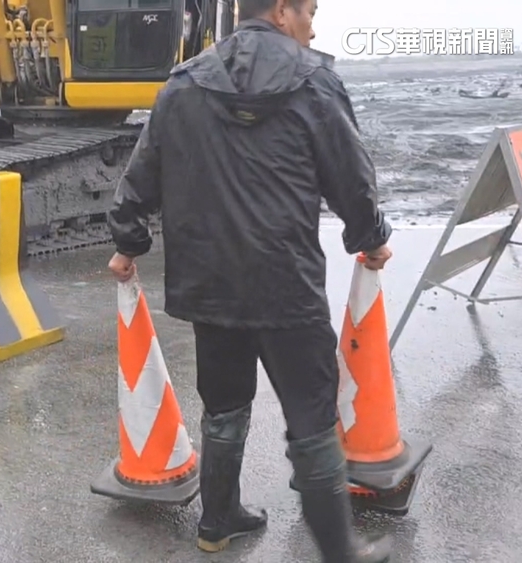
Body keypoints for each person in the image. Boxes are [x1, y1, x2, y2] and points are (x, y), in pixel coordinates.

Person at [105, 0, 395, 561]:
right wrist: (370, 237)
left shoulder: (184, 84)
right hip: (287, 285)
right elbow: (351, 178)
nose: (314, 25)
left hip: (210, 284)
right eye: (310, 12)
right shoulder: (315, 80)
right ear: (282, 11)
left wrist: (127, 244)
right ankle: (340, 551)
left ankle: (216, 523)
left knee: (225, 405)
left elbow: (143, 173)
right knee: (311, 416)